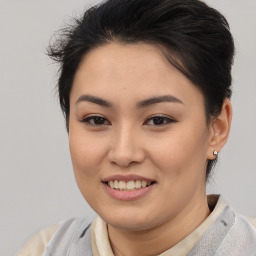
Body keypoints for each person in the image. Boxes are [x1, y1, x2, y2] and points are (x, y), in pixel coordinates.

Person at [17, 0, 256, 255]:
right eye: (97, 120)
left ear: (216, 129)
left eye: (158, 120)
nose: (123, 154)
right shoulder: (46, 249)